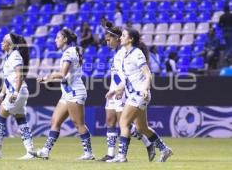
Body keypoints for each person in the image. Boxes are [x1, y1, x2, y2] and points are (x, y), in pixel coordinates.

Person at [106, 28, 172, 163]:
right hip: (133, 94)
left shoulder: (137, 53)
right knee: (142, 128)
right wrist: (116, 90)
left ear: (130, 39)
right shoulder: (123, 55)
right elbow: (128, 79)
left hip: (139, 94)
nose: (121, 37)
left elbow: (148, 74)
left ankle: (121, 156)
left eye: (123, 35)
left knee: (124, 122)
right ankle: (165, 149)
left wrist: (146, 89)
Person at [31, 28, 94, 160]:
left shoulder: (68, 53)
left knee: (78, 124)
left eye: (58, 37)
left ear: (65, 39)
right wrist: (49, 79)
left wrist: (46, 77)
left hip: (75, 92)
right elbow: (65, 75)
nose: (55, 39)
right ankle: (45, 151)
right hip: (67, 93)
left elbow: (62, 74)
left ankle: (88, 153)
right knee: (55, 121)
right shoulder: (71, 51)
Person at [97, 22, 155, 162]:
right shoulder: (119, 53)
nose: (107, 42)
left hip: (124, 91)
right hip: (116, 89)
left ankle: (128, 152)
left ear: (118, 38)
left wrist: (119, 90)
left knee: (124, 123)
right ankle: (111, 154)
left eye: (109, 39)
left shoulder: (126, 53)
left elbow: (125, 76)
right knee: (111, 120)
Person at [0, 33, 34, 160]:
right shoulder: (9, 56)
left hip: (17, 92)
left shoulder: (15, 56)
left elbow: (19, 75)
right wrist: (1, 94)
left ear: (10, 45)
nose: (1, 43)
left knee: (0, 117)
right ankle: (30, 151)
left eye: (4, 41)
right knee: (21, 120)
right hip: (17, 91)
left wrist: (15, 93)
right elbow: (7, 79)